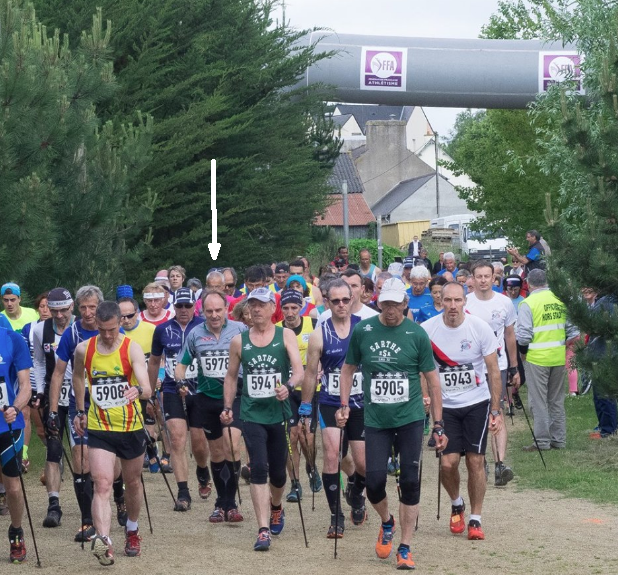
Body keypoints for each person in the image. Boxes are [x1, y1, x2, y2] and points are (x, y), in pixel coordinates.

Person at [337, 278, 446, 570]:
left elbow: (433, 382)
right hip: (376, 420)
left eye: (396, 304)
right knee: (373, 484)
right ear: (379, 303)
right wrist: (344, 404)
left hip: (410, 419)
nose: (391, 310)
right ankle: (387, 522)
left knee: (409, 482)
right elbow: (347, 370)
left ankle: (406, 546)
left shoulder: (417, 334)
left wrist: (438, 424)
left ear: (405, 304)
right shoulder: (364, 331)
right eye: (386, 304)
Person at [220, 287, 304, 552]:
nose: (256, 309)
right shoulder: (239, 341)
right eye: (252, 305)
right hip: (252, 413)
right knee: (258, 468)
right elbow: (231, 376)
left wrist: (288, 387)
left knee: (279, 474)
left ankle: (276, 506)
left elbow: (299, 370)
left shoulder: (285, 335)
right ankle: (263, 529)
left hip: (278, 413)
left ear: (272, 308)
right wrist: (228, 406)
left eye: (261, 304)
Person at [422, 282, 504, 541]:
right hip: (443, 406)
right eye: (448, 300)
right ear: (441, 301)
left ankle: (476, 519)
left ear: (464, 302)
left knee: (475, 461)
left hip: (476, 404)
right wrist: (425, 396)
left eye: (458, 300)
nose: (453, 306)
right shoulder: (427, 330)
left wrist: (496, 409)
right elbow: (422, 369)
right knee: (448, 463)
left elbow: (493, 370)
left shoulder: (479, 328)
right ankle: (456, 503)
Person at [73, 301, 151, 566]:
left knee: (132, 484)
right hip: (99, 427)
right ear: (96, 324)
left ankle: (131, 528)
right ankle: (103, 541)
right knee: (102, 483)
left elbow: (148, 387)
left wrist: (137, 391)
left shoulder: (132, 348)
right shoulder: (85, 349)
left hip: (130, 427)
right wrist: (80, 409)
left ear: (120, 323)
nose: (108, 335)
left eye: (113, 329)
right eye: (103, 330)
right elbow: (77, 377)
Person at [301, 278, 367, 538]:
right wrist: (305, 407)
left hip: (360, 401)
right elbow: (309, 374)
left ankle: (355, 489)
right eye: (335, 300)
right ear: (327, 302)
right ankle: (336, 515)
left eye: (345, 300)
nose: (341, 305)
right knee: (331, 456)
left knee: (363, 464)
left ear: (352, 299)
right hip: (330, 401)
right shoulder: (320, 333)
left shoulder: (364, 328)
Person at [175, 290, 247, 522]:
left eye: (218, 310)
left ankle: (232, 503)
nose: (214, 315)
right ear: (202, 311)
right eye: (209, 311)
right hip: (207, 398)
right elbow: (181, 365)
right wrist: (181, 382)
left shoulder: (240, 330)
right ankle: (220, 503)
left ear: (226, 309)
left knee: (232, 446)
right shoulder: (195, 334)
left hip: (235, 396)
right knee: (216, 452)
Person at [47, 285, 104, 543]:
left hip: (109, 405)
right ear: (76, 308)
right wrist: (51, 411)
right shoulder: (72, 333)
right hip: (78, 404)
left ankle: (120, 496)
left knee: (109, 466)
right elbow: (58, 373)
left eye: (92, 307)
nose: (88, 312)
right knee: (81, 460)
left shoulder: (112, 328)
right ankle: (87, 521)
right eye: (83, 307)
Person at [148, 287, 209, 509]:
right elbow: (154, 361)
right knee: (176, 439)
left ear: (195, 306)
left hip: (200, 389)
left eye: (188, 306)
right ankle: (183, 492)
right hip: (172, 388)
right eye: (179, 306)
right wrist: (149, 391)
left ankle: (202, 470)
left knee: (200, 441)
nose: (183, 310)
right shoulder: (162, 329)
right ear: (173, 307)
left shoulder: (204, 326)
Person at [466, 261, 520, 486]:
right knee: (477, 414)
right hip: (472, 367)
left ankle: (500, 464)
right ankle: (480, 460)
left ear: (494, 279)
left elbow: (510, 335)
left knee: (496, 411)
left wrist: (515, 367)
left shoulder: (505, 302)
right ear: (472, 279)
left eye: (487, 276)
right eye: (479, 276)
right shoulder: (465, 302)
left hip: (498, 364)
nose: (483, 280)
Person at [515, 269, 579, 451]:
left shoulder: (528, 303)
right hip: (558, 357)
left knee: (538, 401)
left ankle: (541, 442)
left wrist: (523, 353)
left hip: (536, 358)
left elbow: (524, 336)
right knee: (556, 400)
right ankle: (559, 439)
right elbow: (573, 332)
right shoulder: (559, 300)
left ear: (528, 283)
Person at [33, 288, 76, 529]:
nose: (59, 315)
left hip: (79, 395)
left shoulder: (80, 327)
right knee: (53, 449)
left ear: (72, 307)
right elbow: (39, 362)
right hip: (54, 394)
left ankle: (89, 493)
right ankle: (53, 505)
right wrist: (40, 390)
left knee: (82, 449)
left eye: (64, 310)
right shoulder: (41, 329)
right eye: (54, 310)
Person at [276, 289, 320, 503]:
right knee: (291, 436)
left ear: (301, 307)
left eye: (294, 307)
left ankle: (311, 467)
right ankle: (295, 484)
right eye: (285, 308)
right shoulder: (276, 330)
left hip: (310, 390)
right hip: (287, 390)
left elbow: (323, 352)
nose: (290, 312)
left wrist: (319, 368)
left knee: (307, 436)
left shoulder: (313, 325)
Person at [0, 322, 33, 563]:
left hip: (7, 424)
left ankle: (16, 531)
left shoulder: (12, 339)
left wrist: (15, 407)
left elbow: (25, 387)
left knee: (12, 487)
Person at [20, 292, 51, 473]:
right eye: (41, 306)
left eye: (48, 306)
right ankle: (51, 451)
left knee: (54, 425)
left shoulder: (62, 328)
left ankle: (54, 458)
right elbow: (25, 356)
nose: (45, 310)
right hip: (33, 384)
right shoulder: (28, 328)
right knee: (41, 429)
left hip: (55, 383)